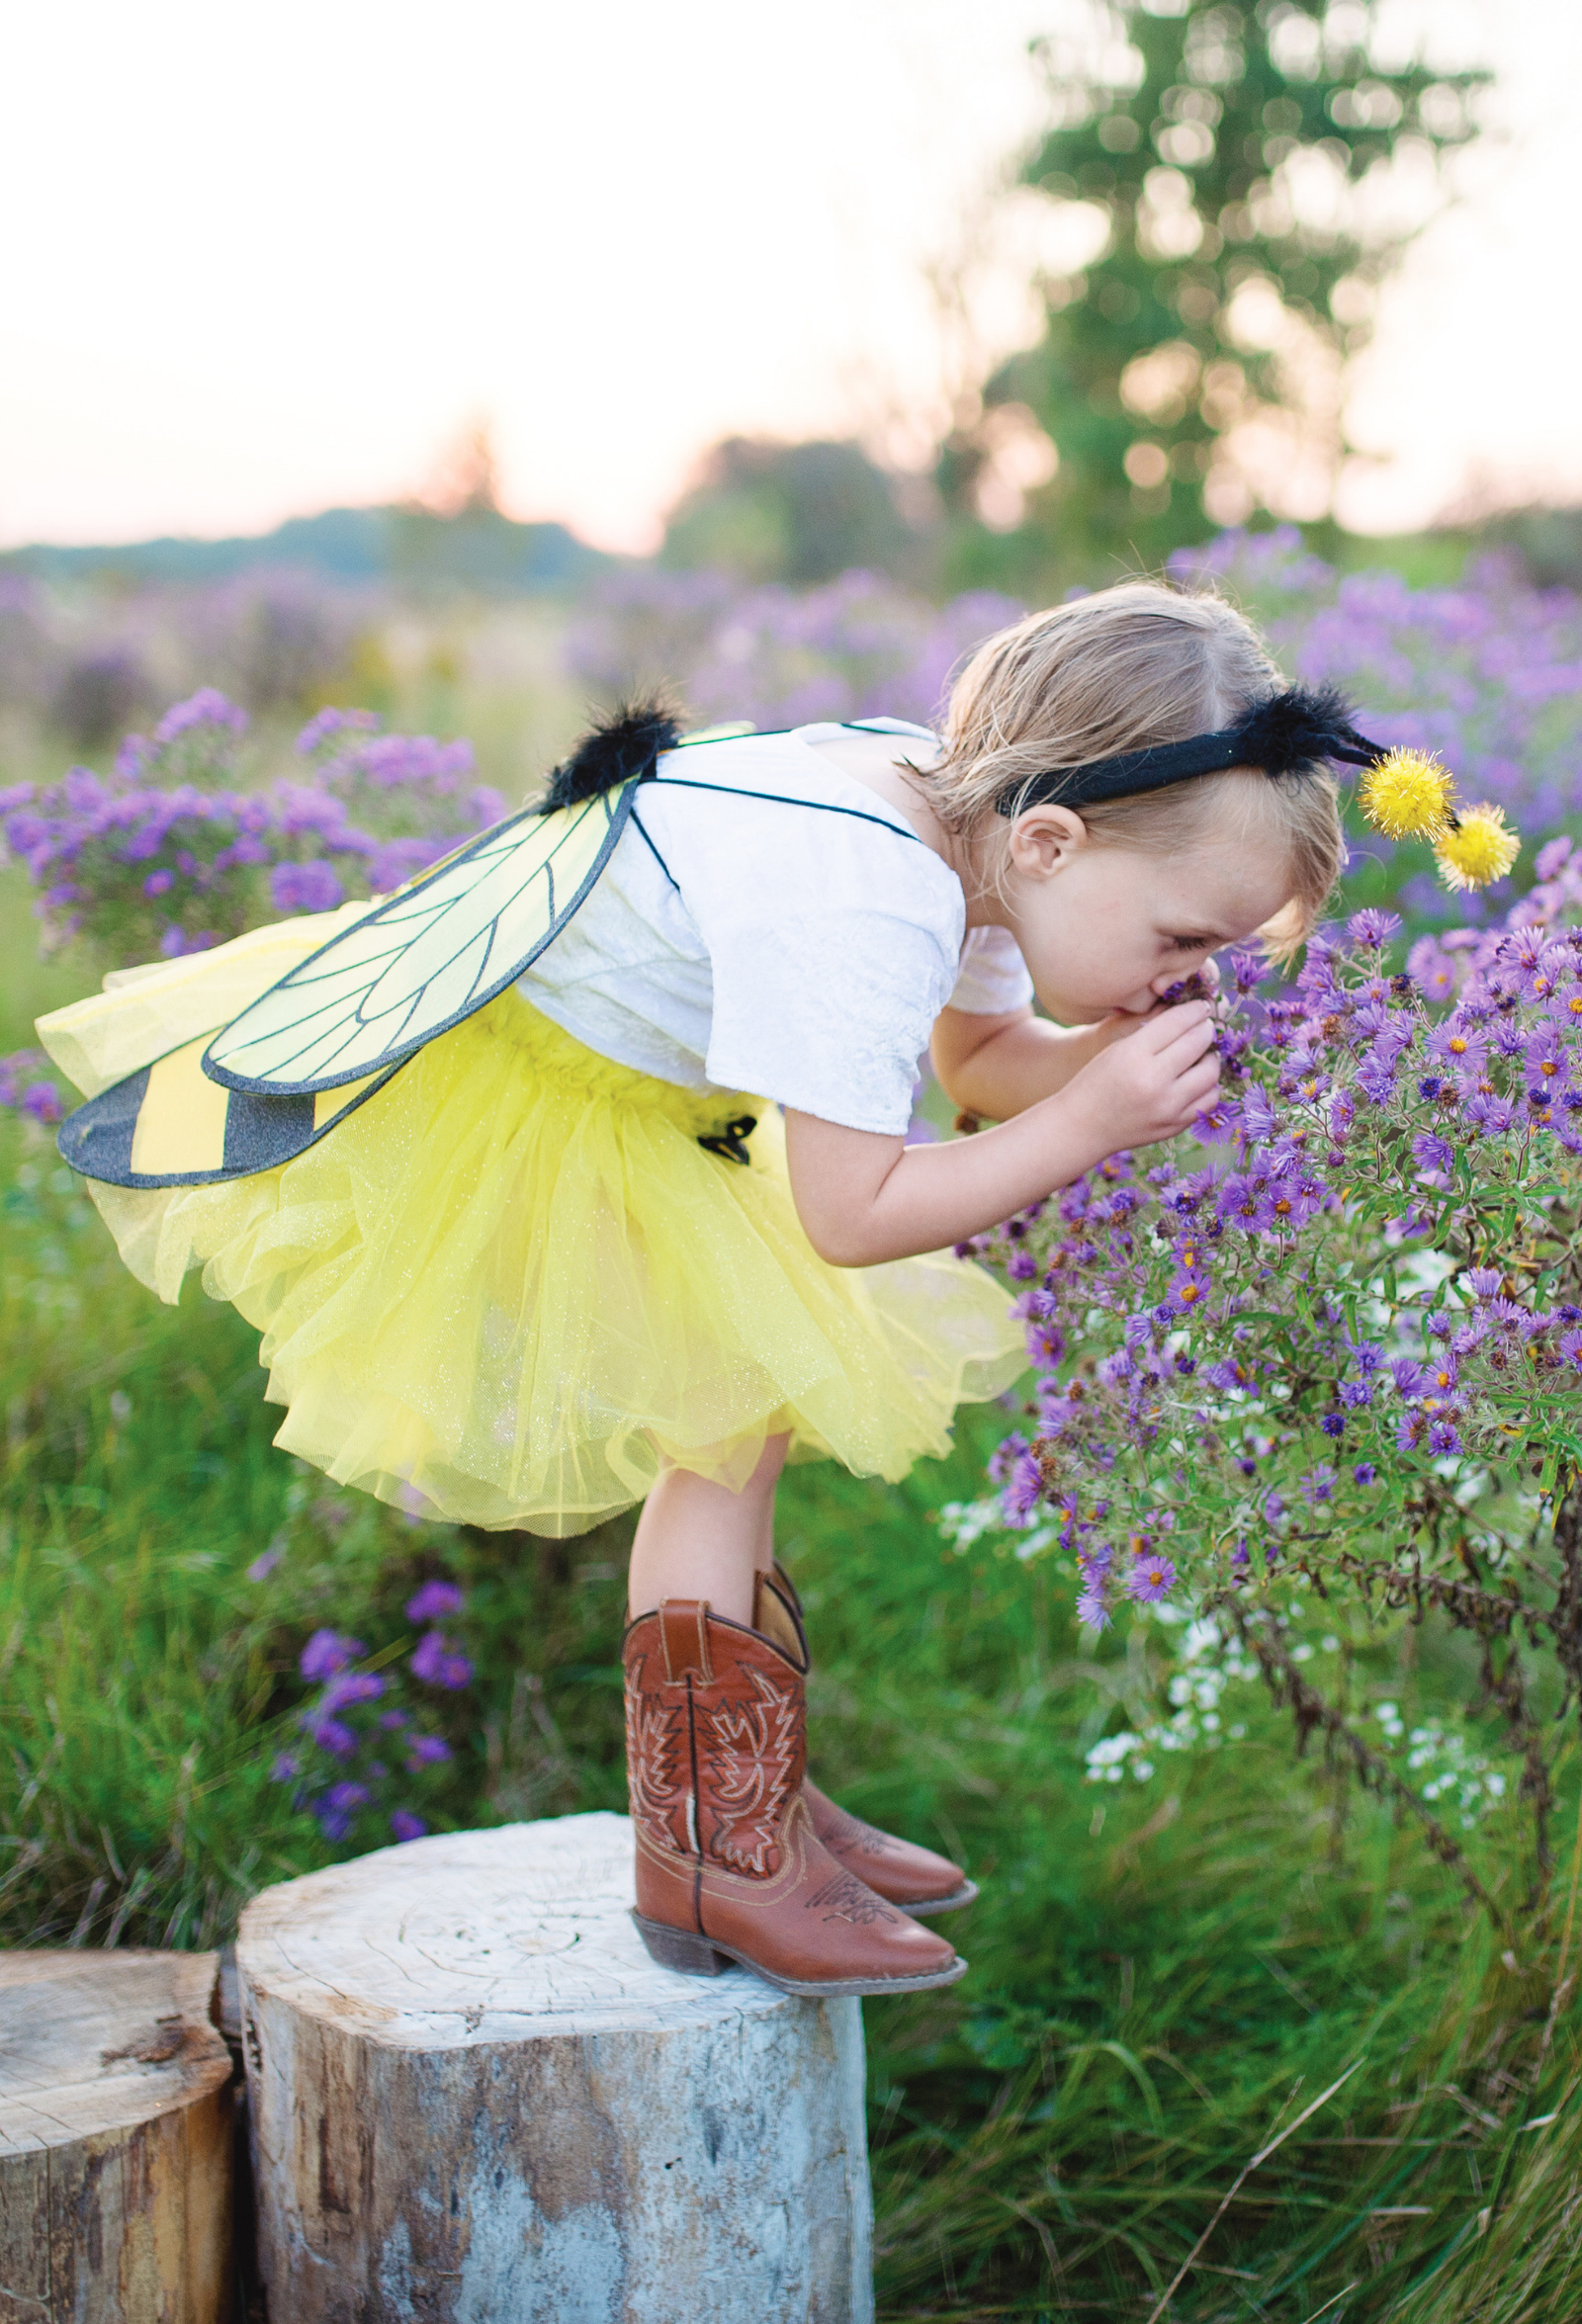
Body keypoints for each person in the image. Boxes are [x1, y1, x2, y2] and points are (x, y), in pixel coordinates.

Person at [39, 578, 1364, 2001]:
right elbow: (854, 1217)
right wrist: (1090, 1123)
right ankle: (709, 1854)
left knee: (747, 1420)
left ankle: (755, 1797)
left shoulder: (973, 820)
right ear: (1047, 840)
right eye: (1181, 942)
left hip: (655, 1092)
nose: (1191, 976)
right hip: (547, 1102)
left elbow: (979, 1066)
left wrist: (1101, 1068)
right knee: (724, 1432)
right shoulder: (868, 891)